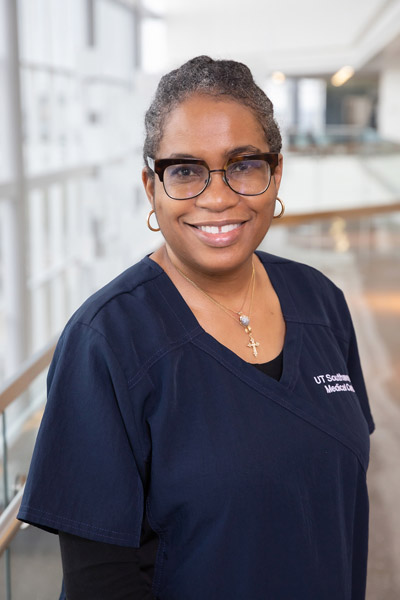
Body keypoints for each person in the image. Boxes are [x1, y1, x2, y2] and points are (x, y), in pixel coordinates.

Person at [18, 56, 375, 600]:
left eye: (243, 164)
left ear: (275, 173)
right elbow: (100, 584)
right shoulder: (107, 340)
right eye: (185, 170)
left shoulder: (320, 301)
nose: (216, 196)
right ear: (150, 187)